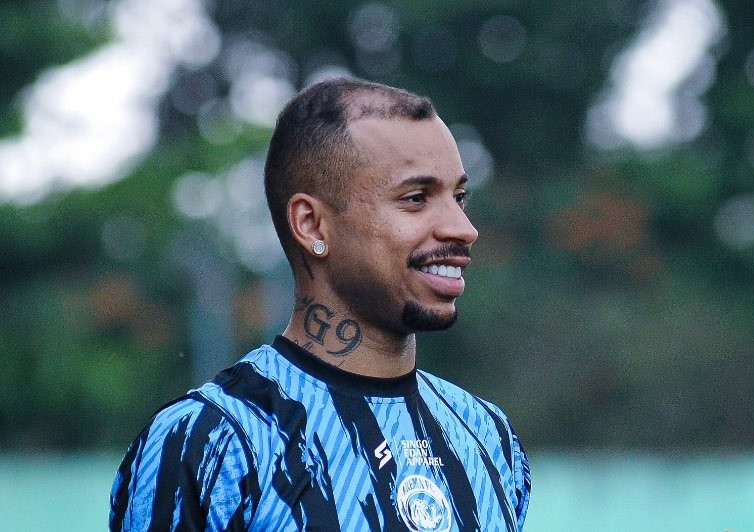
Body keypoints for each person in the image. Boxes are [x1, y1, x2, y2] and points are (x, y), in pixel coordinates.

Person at [110, 77, 531, 531]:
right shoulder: (214, 440)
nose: (463, 228)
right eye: (416, 198)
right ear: (311, 225)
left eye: (459, 197)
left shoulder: (489, 437)